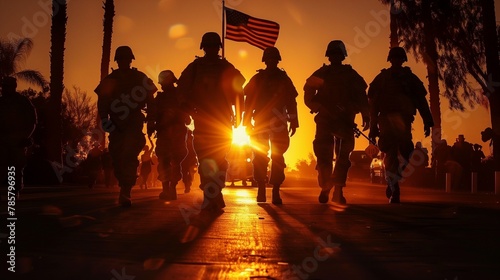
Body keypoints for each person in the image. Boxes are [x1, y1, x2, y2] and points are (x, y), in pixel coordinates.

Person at [177, 32, 245, 214]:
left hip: (222, 120)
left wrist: (239, 114)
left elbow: (239, 90)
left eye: (214, 46)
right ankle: (210, 194)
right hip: (203, 120)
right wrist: (186, 112)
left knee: (220, 159)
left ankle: (215, 191)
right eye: (209, 46)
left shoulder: (225, 67)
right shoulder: (195, 68)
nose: (212, 49)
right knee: (206, 159)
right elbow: (182, 90)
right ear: (204, 47)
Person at [304, 40, 369, 205]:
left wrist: (364, 114)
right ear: (329, 55)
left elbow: (361, 95)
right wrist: (319, 107)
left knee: (343, 157)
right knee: (323, 154)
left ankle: (338, 189)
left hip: (345, 120)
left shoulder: (350, 74)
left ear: (343, 55)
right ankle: (326, 186)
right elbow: (308, 89)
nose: (335, 57)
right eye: (333, 54)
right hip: (325, 119)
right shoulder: (323, 73)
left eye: (337, 54)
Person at [368, 46, 434, 203]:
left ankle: (393, 180)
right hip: (387, 121)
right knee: (392, 154)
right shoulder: (383, 78)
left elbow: (421, 101)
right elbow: (373, 103)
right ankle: (394, 184)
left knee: (405, 152)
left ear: (402, 60)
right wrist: (373, 126)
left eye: (398, 59)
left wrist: (428, 120)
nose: (396, 61)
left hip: (402, 121)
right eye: (394, 59)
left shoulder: (409, 79)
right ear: (391, 60)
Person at [94, 46, 157, 207]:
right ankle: (124, 185)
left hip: (133, 121)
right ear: (117, 61)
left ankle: (126, 190)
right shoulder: (110, 79)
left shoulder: (138, 77)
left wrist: (151, 119)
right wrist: (104, 118)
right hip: (116, 123)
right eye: (121, 59)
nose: (124, 62)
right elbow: (103, 101)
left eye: (126, 59)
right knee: (116, 155)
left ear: (130, 60)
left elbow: (150, 98)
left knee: (129, 154)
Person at [243, 46, 299, 204]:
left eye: (274, 59)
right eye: (270, 59)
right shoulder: (258, 78)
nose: (272, 62)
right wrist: (246, 121)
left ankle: (275, 189)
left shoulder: (283, 78)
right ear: (265, 61)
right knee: (260, 156)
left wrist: (294, 121)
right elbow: (248, 101)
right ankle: (261, 186)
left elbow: (291, 102)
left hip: (279, 122)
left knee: (277, 156)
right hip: (261, 121)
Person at [150, 70, 190, 200]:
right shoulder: (163, 97)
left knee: (171, 160)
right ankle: (168, 188)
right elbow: (153, 113)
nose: (162, 85)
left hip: (173, 131)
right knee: (168, 160)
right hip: (166, 131)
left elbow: (186, 111)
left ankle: (169, 188)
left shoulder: (178, 96)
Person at [0, 76, 37, 199]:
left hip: (18, 141)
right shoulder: (1, 102)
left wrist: (26, 137)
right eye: (3, 86)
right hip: (3, 140)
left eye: (7, 86)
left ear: (14, 87)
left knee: (15, 166)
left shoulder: (23, 102)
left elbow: (32, 121)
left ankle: (14, 190)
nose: (4, 89)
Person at [181, 129, 198, 193]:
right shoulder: (183, 140)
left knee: (189, 173)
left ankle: (188, 184)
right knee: (186, 173)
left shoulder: (192, 140)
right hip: (186, 159)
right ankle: (187, 185)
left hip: (190, 159)